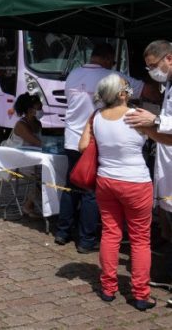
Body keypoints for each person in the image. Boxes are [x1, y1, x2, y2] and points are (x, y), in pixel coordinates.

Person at [55, 43, 158, 253]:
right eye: (112, 61)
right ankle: (86, 240)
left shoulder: (73, 74)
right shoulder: (113, 77)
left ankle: (62, 231)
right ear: (108, 58)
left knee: (71, 186)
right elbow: (149, 92)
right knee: (90, 193)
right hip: (95, 141)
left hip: (72, 139)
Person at [80, 74, 156, 310]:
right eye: (126, 86)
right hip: (136, 182)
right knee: (140, 239)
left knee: (110, 233)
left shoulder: (95, 116)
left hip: (106, 181)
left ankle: (108, 288)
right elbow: (161, 137)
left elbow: (82, 146)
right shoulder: (136, 115)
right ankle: (141, 294)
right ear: (122, 94)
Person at [124, 40, 172, 285]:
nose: (152, 72)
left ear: (169, 58)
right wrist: (151, 127)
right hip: (167, 162)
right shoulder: (169, 83)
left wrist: (155, 121)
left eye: (153, 66)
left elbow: (165, 122)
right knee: (168, 219)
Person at [3, 92, 43, 217]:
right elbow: (36, 142)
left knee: (50, 171)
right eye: (39, 107)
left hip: (32, 159)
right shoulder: (21, 125)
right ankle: (28, 204)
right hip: (18, 161)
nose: (41, 110)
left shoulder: (38, 123)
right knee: (45, 174)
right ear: (30, 109)